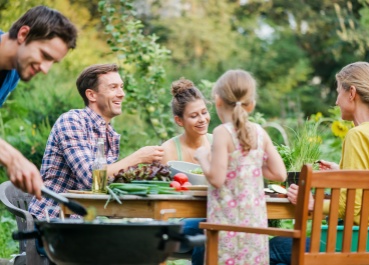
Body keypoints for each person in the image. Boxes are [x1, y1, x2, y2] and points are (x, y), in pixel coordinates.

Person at [269, 61, 369, 264]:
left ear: (352, 93)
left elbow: (351, 207)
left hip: (361, 245)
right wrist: (344, 171)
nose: (336, 101)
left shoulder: (358, 135)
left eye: (339, 92)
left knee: (275, 247)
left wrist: (311, 202)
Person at [29, 63, 164, 219]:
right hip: (52, 220)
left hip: (85, 224)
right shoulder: (72, 121)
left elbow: (103, 189)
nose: (122, 94)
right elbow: (91, 178)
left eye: (121, 87)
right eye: (113, 87)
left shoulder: (109, 134)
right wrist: (138, 158)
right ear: (92, 95)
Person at [195, 69, 287, 264]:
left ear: (218, 101)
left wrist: (203, 157)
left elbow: (217, 179)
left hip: (226, 230)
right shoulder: (260, 132)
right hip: (255, 229)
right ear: (251, 104)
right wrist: (249, 164)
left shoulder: (222, 132)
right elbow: (280, 174)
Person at [0, 5, 77, 199]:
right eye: (45, 55)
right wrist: (12, 157)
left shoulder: (13, 72)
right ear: (23, 34)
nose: (46, 69)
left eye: (53, 62)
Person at [161, 78, 211, 265]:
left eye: (204, 113)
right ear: (179, 120)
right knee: (207, 226)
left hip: (213, 218)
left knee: (209, 230)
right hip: (177, 225)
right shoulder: (169, 150)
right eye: (194, 116)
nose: (202, 119)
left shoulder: (219, 145)